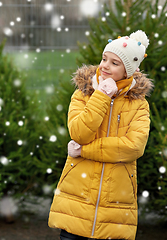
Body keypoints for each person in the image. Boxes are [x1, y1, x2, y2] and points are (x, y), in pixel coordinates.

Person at [48, 30, 153, 240]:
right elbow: (79, 132)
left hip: (115, 201)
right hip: (76, 195)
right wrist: (101, 96)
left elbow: (133, 147)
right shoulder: (83, 93)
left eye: (115, 63)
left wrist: (84, 151)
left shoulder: (139, 105)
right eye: (104, 59)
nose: (105, 65)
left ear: (129, 70)